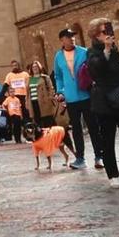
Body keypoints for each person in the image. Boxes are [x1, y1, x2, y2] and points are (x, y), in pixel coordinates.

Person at [86, 20, 119, 187]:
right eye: (104, 31)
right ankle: (113, 175)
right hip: (104, 103)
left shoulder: (116, 51)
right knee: (108, 141)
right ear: (96, 35)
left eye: (109, 31)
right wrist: (107, 50)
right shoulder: (92, 52)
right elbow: (96, 70)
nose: (109, 34)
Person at [50, 28, 90, 171]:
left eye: (73, 36)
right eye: (68, 36)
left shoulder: (84, 52)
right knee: (77, 129)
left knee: (93, 126)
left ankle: (99, 155)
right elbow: (58, 76)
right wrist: (61, 91)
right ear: (62, 40)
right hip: (71, 98)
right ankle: (80, 158)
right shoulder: (58, 56)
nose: (72, 38)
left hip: (86, 95)